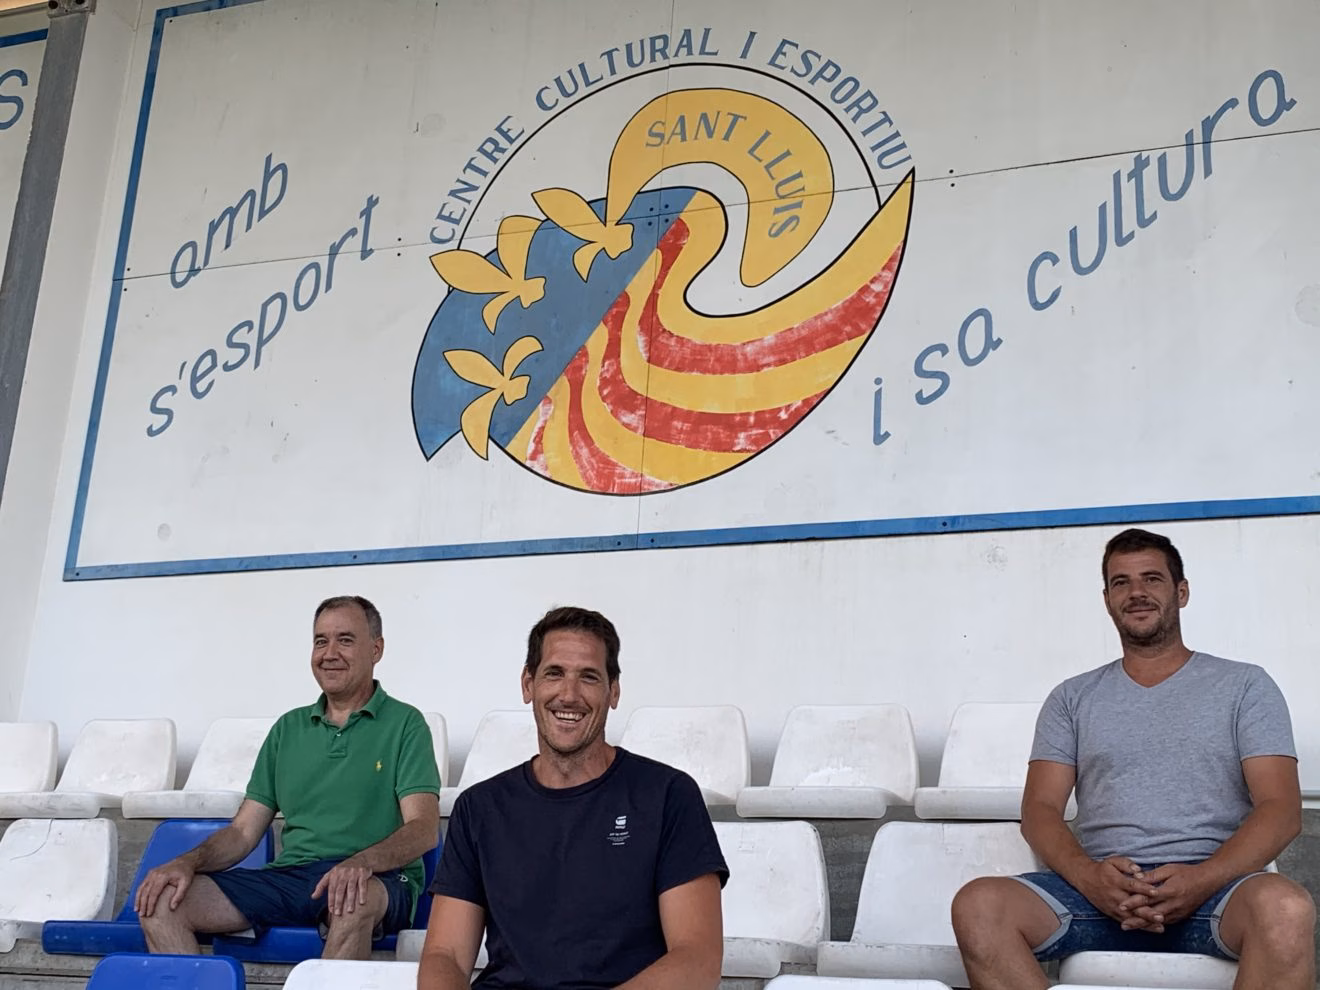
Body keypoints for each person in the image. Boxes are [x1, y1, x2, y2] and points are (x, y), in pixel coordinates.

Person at [952, 528, 1315, 989]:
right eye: (1121, 582)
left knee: (1286, 907)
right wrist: (1090, 878)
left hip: (1218, 894)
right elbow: (1039, 810)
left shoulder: (1245, 686)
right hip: (1099, 897)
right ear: (1106, 599)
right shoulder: (1072, 697)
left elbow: (1281, 811)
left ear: (1181, 592)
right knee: (978, 905)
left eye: (1151, 579)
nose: (1137, 592)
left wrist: (1201, 880)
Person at [418, 606, 728, 990]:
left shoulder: (667, 795)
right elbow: (445, 954)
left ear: (613, 692)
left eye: (589, 677)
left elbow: (698, 961)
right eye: (554, 673)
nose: (569, 695)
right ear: (528, 684)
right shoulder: (479, 808)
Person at [135, 595, 441, 960]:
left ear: (376, 650)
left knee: (350, 899)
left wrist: (362, 863)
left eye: (345, 640)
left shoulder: (406, 724)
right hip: (292, 878)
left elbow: (423, 828)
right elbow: (243, 832)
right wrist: (187, 862)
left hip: (379, 878)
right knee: (162, 902)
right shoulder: (287, 729)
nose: (329, 653)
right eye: (320, 641)